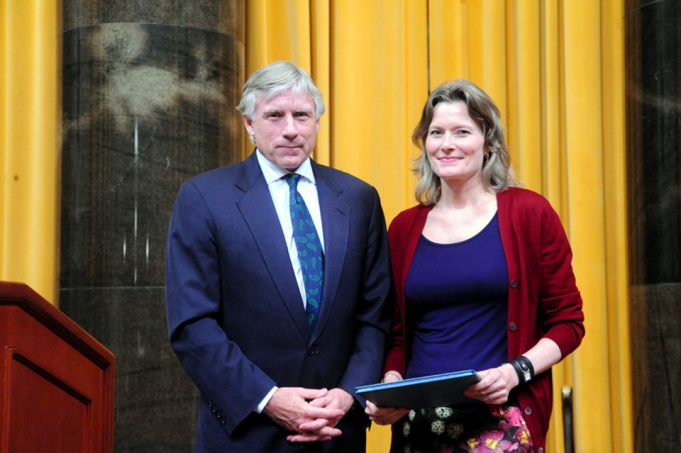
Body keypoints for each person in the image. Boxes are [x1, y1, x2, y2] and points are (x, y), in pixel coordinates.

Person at [165, 61, 392, 452]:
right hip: (246, 433)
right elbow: (192, 323)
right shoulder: (204, 198)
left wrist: (347, 395)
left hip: (337, 432)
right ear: (250, 124)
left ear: (318, 121)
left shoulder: (359, 199)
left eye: (301, 115)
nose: (290, 129)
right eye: (274, 115)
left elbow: (375, 315)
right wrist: (268, 398)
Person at [365, 79, 585, 453]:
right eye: (436, 133)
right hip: (418, 425)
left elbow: (568, 322)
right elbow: (397, 335)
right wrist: (389, 385)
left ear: (489, 143)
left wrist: (516, 371)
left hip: (501, 419)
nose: (446, 144)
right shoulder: (403, 228)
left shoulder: (530, 213)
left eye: (462, 131)